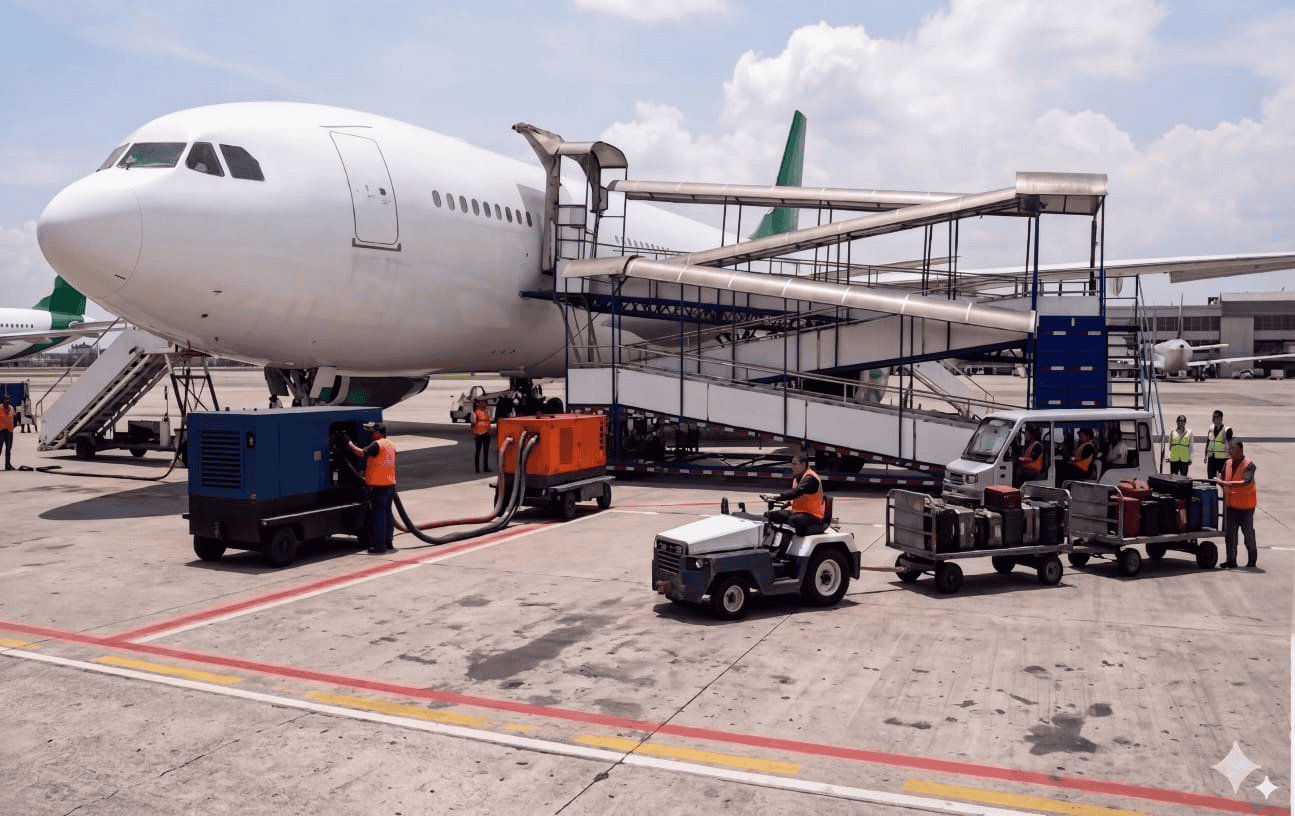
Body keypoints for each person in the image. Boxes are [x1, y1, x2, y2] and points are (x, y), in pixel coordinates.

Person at [348, 421, 397, 554]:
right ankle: (388, 542)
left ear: (377, 433)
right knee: (387, 514)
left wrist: (349, 443)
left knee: (378, 516)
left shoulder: (377, 445)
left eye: (372, 432)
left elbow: (361, 453)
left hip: (379, 486)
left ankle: (379, 546)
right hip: (390, 485)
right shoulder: (391, 444)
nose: (370, 435)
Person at [760, 453, 828, 548]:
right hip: (799, 512)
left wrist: (776, 497)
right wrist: (787, 504)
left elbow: (797, 492)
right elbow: (801, 496)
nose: (792, 467)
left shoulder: (810, 478)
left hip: (814, 515)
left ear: (803, 465)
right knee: (770, 516)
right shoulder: (798, 477)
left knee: (792, 520)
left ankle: (783, 549)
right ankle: (767, 545)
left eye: (794, 464)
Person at [1217, 440, 1258, 569]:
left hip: (1246, 508)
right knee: (1230, 536)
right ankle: (1231, 561)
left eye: (1232, 449)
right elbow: (1222, 478)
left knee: (1248, 535)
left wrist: (1227, 484)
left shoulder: (1249, 465)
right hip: (1231, 506)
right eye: (1230, 449)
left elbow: (1245, 482)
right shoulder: (1227, 463)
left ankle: (1252, 560)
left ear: (1240, 451)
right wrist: (1221, 483)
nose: (1229, 451)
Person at [1204, 410, 1232, 480]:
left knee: (1225, 480)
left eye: (1216, 417)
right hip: (1211, 458)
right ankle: (1212, 491)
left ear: (1221, 418)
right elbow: (1208, 442)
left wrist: (1232, 459)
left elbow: (1231, 445)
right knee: (1210, 479)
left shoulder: (1227, 430)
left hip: (1223, 459)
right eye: (1213, 417)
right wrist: (1205, 455)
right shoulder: (1211, 428)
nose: (1214, 419)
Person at [0, 393, 14, 470]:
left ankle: (7, 465)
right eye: (5, 399)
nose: (7, 401)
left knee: (8, 449)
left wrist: (12, 427)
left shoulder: (11, 408)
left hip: (9, 431)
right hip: (1, 431)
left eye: (8, 399)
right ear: (2, 400)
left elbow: (13, 418)